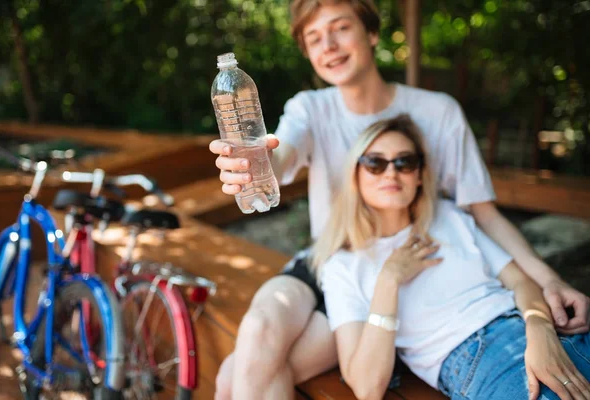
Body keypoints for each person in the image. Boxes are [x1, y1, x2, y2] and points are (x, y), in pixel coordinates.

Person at [209, 0, 590, 398]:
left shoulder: (437, 112)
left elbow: (484, 214)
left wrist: (550, 282)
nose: (330, 46)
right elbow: (280, 155)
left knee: (236, 375)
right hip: (333, 258)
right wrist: (254, 163)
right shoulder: (311, 108)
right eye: (314, 38)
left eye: (340, 28)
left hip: (394, 275)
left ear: (372, 34)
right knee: (257, 331)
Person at [314, 114, 590, 400]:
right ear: (355, 174)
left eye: (404, 162)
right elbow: (366, 388)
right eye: (375, 162)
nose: (391, 173)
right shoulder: (342, 267)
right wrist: (389, 279)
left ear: (420, 174)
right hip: (484, 361)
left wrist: (538, 327)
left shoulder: (448, 216)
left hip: (548, 332)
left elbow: (519, 281)